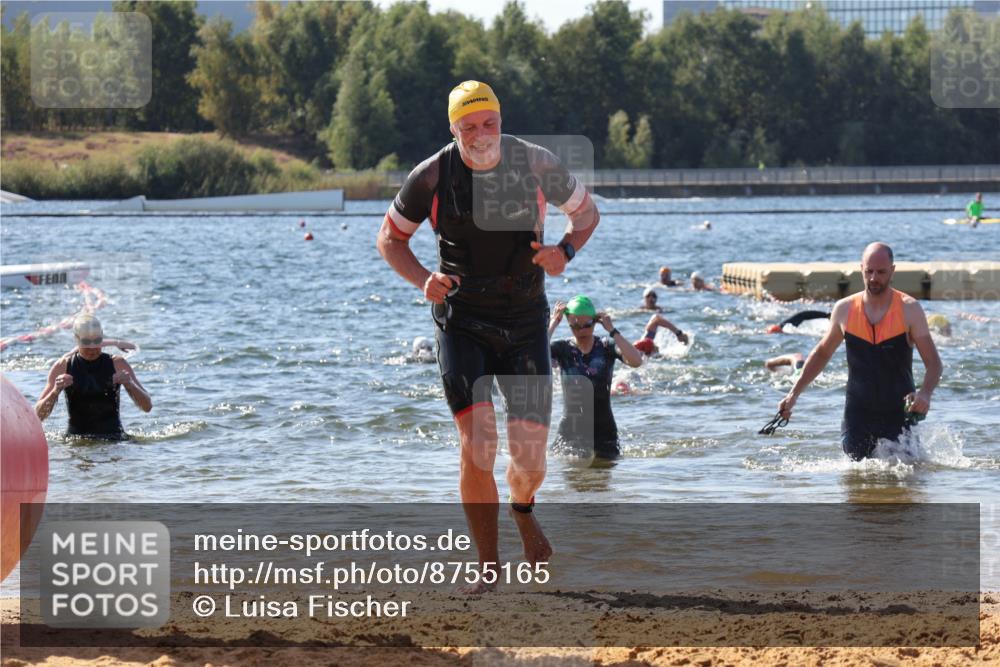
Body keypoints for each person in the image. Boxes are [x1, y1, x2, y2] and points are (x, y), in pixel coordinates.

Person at [376, 80, 600, 589]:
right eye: (469, 126)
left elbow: (587, 215)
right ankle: (488, 566)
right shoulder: (431, 176)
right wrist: (423, 280)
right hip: (462, 320)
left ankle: (522, 509)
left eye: (489, 123)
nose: (481, 134)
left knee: (531, 458)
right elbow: (389, 238)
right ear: (453, 130)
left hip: (524, 319)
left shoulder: (536, 162)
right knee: (477, 443)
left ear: (501, 120)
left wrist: (564, 252)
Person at [777, 243, 942, 461]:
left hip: (898, 413)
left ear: (892, 270)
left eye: (881, 272)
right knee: (855, 481)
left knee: (906, 483)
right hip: (857, 412)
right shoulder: (844, 309)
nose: (874, 278)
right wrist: (793, 395)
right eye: (869, 271)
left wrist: (925, 393)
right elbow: (822, 354)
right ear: (861, 269)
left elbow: (934, 363)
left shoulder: (909, 309)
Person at [548, 296, 642, 460]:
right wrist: (553, 324)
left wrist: (612, 330)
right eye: (576, 326)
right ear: (568, 324)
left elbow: (636, 361)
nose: (582, 330)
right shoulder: (562, 348)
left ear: (595, 322)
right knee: (570, 482)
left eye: (587, 325)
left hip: (604, 430)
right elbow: (534, 359)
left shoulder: (607, 346)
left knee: (602, 482)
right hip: (570, 431)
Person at [34, 314, 151, 440]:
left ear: (102, 338)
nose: (92, 348)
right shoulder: (63, 366)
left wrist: (129, 384)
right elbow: (37, 416)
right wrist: (55, 391)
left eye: (97, 342)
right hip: (76, 442)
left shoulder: (117, 363)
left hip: (114, 440)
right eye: (86, 343)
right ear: (77, 340)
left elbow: (147, 407)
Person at [766, 310, 831, 334]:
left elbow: (803, 315)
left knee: (802, 316)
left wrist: (826, 315)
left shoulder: (787, 326)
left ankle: (828, 315)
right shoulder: (787, 328)